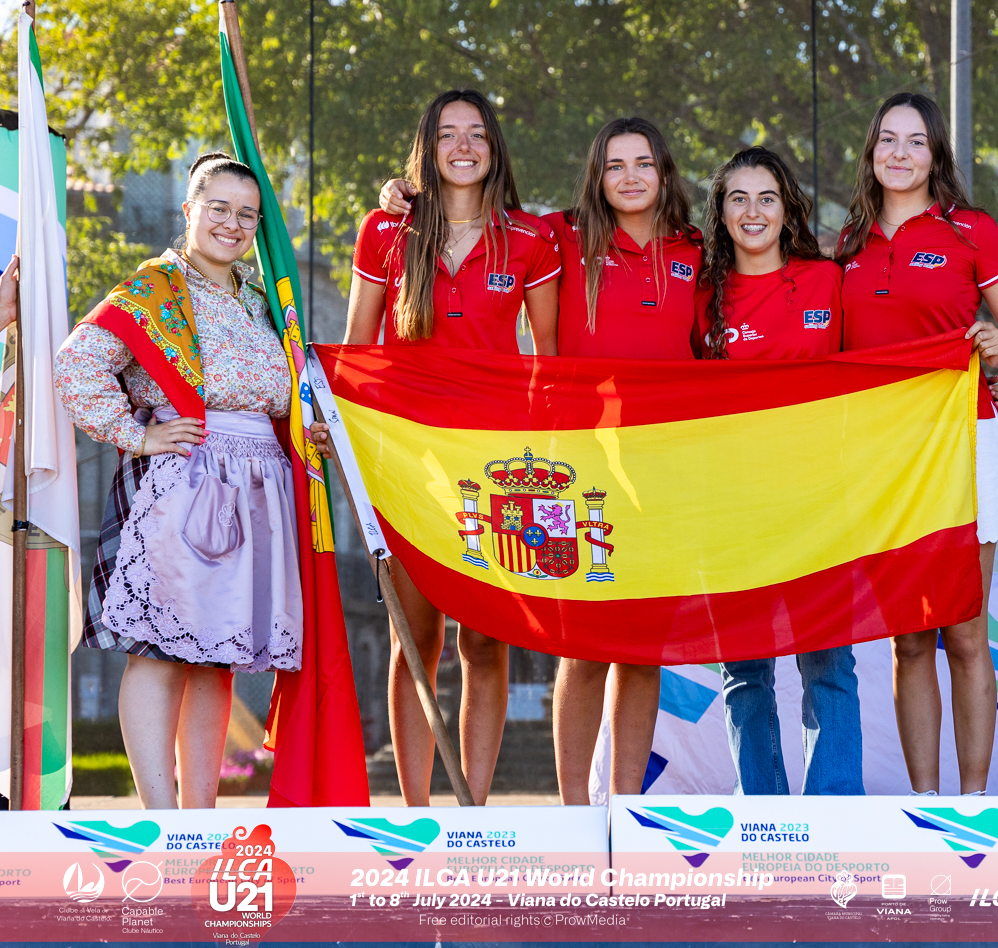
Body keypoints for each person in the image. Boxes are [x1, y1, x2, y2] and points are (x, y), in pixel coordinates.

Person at [378, 115, 700, 803]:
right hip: (573, 470)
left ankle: (625, 812)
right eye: (614, 165)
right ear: (596, 177)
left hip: (664, 472)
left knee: (640, 646)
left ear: (665, 173)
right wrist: (398, 195)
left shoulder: (698, 251)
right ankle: (573, 811)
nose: (630, 177)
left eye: (643, 163)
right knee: (580, 643)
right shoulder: (560, 234)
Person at [54, 152, 300, 808]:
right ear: (188, 210)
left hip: (256, 489)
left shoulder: (261, 301)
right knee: (159, 651)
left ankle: (199, 822)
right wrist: (138, 436)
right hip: (182, 483)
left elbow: (286, 394)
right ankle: (163, 819)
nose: (232, 223)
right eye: (218, 208)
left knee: (216, 658)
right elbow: (76, 364)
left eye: (246, 214)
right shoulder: (154, 289)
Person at [343, 88, 561, 806]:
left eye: (476, 134)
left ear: (494, 148)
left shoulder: (531, 238)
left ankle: (476, 813)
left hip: (500, 468)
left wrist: (545, 461)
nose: (463, 146)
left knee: (486, 640)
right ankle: (415, 813)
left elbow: (550, 360)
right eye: (447, 134)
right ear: (427, 149)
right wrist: (350, 443)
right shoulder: (385, 229)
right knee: (416, 638)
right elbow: (357, 349)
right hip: (409, 460)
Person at [836, 92, 998, 796]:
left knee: (964, 632)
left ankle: (973, 803)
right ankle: (925, 809)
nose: (899, 153)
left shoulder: (971, 229)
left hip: (963, 444)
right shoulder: (846, 242)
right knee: (910, 637)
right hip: (883, 457)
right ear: (871, 151)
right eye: (887, 139)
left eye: (916, 141)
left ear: (935, 154)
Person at [692, 145, 859, 795]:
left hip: (818, 499)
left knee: (829, 663)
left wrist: (968, 378)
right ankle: (763, 811)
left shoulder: (827, 282)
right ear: (720, 212)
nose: (753, 211)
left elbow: (879, 365)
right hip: (729, 504)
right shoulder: (700, 293)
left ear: (788, 209)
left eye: (767, 198)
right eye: (738, 198)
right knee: (745, 669)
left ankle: (834, 810)